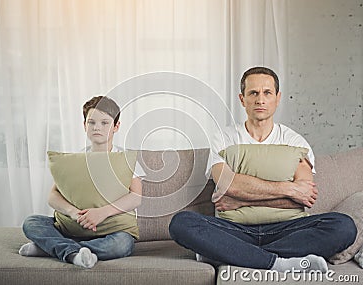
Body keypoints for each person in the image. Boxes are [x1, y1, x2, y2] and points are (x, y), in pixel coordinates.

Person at [169, 66, 357, 272]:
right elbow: (226, 184)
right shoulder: (224, 138)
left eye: (267, 93)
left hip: (287, 230)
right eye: (253, 93)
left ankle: (232, 253)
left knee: (344, 226)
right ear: (242, 99)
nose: (260, 99)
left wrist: (240, 199)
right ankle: (276, 263)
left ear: (277, 98)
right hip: (234, 230)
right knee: (181, 223)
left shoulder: (294, 141)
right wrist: (288, 189)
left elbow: (306, 195)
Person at [19, 96, 144, 268]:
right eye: (91, 122)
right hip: (73, 227)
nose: (97, 127)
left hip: (111, 231)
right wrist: (74, 213)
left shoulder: (125, 158)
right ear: (84, 125)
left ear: (116, 126)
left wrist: (101, 213)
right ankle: (70, 251)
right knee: (31, 222)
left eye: (104, 123)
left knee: (122, 244)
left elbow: (136, 197)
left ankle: (54, 249)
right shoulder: (74, 159)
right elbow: (53, 196)